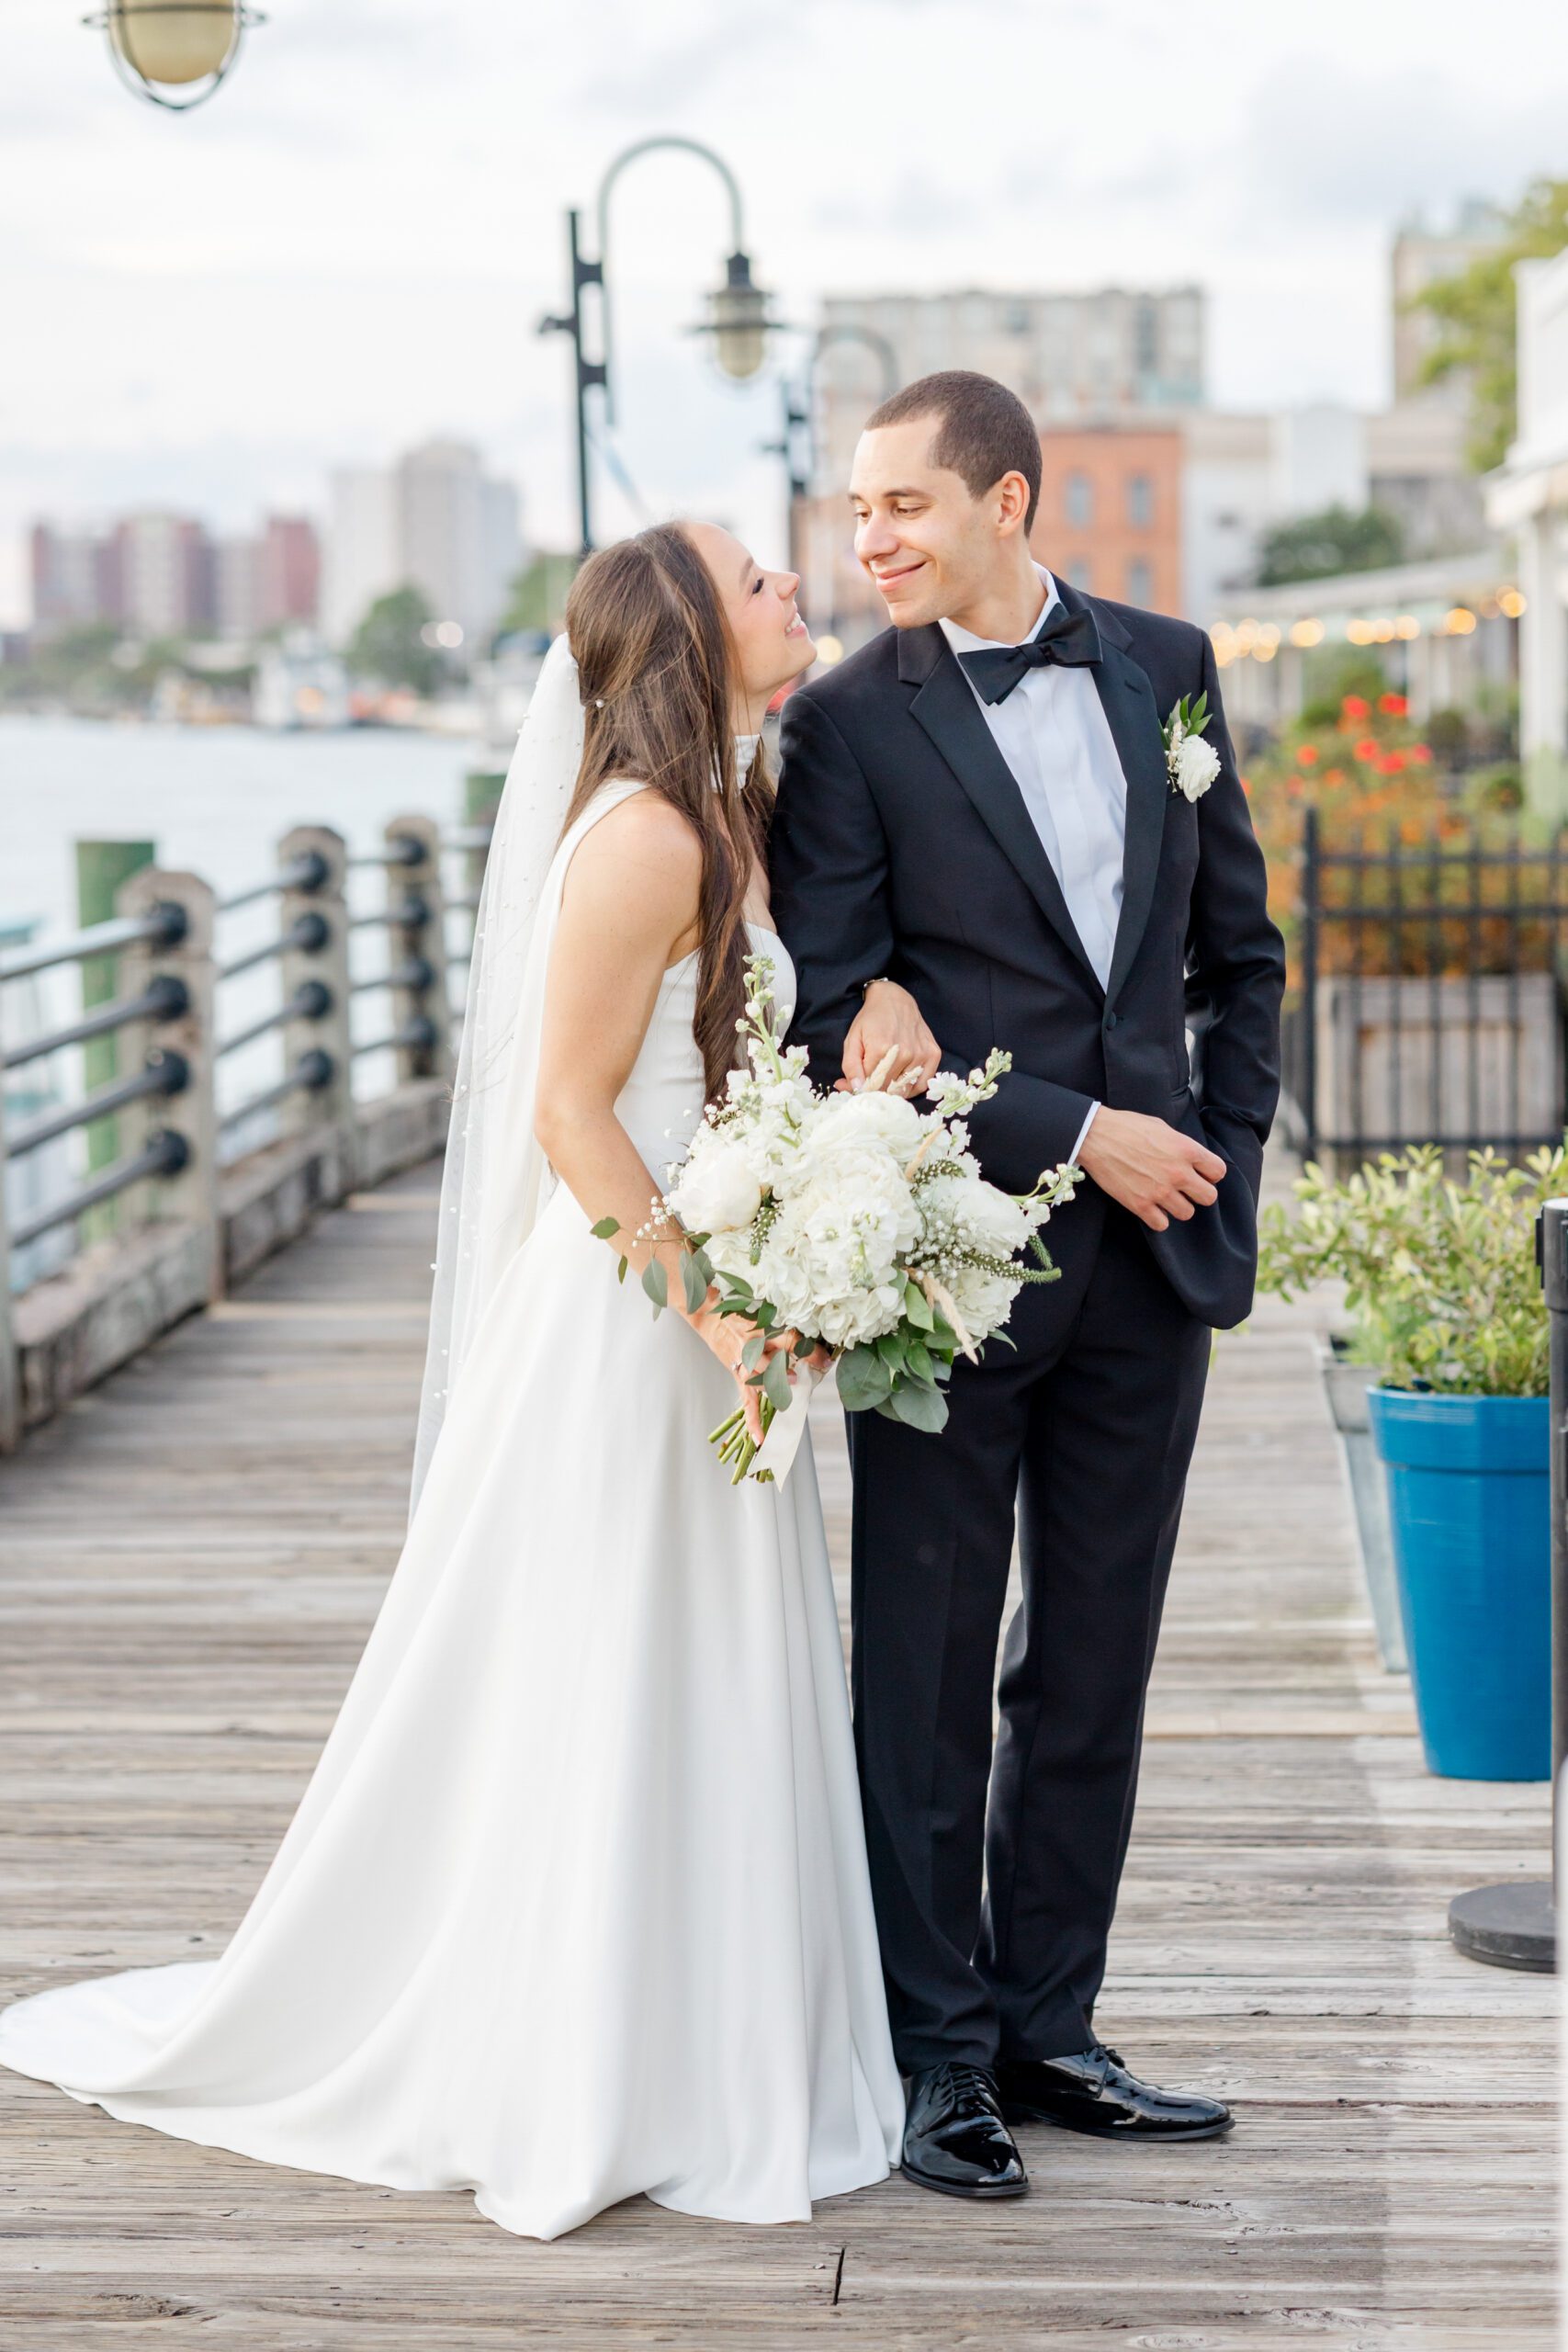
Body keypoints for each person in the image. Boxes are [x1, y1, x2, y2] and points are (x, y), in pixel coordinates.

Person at [0, 521, 915, 2242]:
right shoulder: (642, 837)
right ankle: (581, 2060)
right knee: (616, 1671)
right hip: (633, 1319)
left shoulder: (731, 811)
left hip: (717, 1282)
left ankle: (708, 2044)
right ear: (688, 636)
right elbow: (574, 1112)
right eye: (756, 578)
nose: (794, 586)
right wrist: (720, 1316)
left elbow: (731, 1070)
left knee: (701, 1665)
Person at [772, 370, 1286, 2199]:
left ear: (1005, 497)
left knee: (1088, 1663)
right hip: (949, 1263)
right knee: (914, 1668)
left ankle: (1050, 2022)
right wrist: (1081, 1130)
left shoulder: (1166, 660)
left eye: (898, 504)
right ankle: (934, 2059)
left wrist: (1206, 1155)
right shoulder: (840, 727)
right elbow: (837, 1003)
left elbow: (1239, 949)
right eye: (849, 512)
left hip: (1153, 1266)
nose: (865, 540)